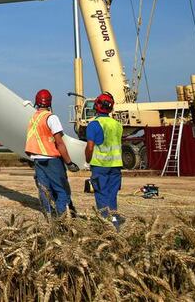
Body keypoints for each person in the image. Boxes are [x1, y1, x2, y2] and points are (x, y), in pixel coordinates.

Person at [25, 89, 79, 217]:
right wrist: (69, 162)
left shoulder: (34, 118)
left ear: (36, 102)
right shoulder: (51, 117)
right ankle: (61, 217)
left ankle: (49, 218)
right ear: (50, 102)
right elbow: (59, 143)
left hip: (38, 159)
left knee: (44, 190)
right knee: (62, 190)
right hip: (52, 159)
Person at [84, 92, 123, 228]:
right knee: (112, 197)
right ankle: (115, 224)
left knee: (101, 196)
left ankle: (106, 227)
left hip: (100, 166)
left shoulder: (94, 125)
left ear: (96, 106)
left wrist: (87, 160)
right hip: (116, 166)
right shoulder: (118, 125)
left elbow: (90, 147)